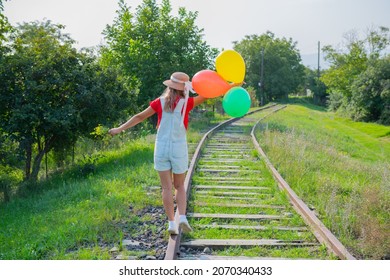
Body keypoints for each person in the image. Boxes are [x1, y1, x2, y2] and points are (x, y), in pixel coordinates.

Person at [109, 72, 207, 235]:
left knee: (166, 188)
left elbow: (139, 117)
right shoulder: (187, 103)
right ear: (184, 89)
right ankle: (182, 217)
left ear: (169, 87)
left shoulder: (159, 102)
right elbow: (207, 94)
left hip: (161, 149)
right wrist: (230, 85)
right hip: (178, 148)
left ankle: (170, 223)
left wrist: (120, 129)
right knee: (179, 186)